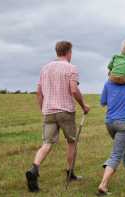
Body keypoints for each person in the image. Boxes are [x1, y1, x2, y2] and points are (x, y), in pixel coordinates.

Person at [25, 41, 90, 192]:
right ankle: (70, 172)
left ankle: (34, 169)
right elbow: (73, 90)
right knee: (72, 142)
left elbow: (39, 92)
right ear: (68, 52)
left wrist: (43, 109)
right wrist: (84, 105)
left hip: (48, 111)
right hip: (65, 110)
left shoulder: (45, 68)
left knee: (46, 143)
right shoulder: (71, 68)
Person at [96, 79, 125, 196]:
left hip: (110, 123)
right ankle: (103, 185)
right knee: (116, 154)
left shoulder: (108, 82)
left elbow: (102, 102)